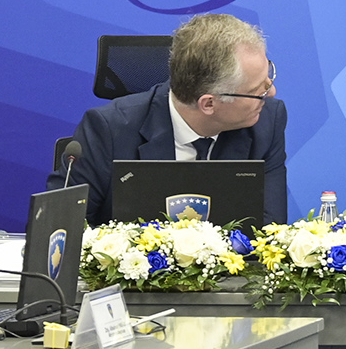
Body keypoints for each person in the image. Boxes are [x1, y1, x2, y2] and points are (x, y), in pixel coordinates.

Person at [68, 14, 288, 227]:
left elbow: (269, 228)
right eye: (257, 90)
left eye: (268, 76)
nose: (271, 92)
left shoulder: (267, 122)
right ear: (208, 104)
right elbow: (65, 227)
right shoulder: (108, 130)